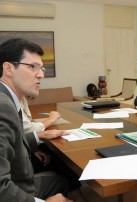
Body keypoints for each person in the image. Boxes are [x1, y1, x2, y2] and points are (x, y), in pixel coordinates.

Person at [0, 38, 72, 201]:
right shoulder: (3, 107)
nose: (41, 74)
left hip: (19, 179)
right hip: (18, 188)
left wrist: (38, 136)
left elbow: (11, 141)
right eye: (32, 67)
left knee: (60, 180)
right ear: (8, 68)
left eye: (41, 68)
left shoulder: (8, 99)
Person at [20, 97, 87, 202]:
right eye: (36, 78)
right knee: (59, 156)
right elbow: (27, 130)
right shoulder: (7, 101)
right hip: (17, 163)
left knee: (54, 152)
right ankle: (77, 196)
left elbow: (22, 131)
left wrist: (33, 148)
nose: (40, 79)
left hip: (23, 150)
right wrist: (50, 120)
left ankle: (76, 195)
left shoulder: (19, 98)